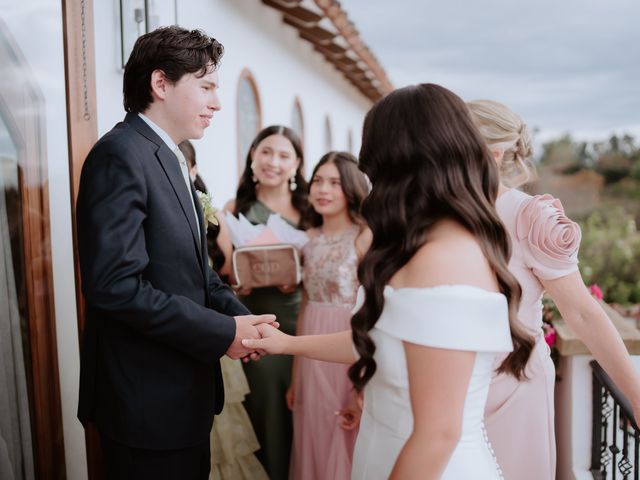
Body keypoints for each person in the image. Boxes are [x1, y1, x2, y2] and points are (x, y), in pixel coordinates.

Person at [243, 83, 535, 479]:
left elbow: (438, 434)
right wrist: (286, 344)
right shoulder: (420, 244)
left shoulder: (446, 258)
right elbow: (382, 340)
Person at [76, 26, 275, 480]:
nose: (218, 103)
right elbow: (116, 287)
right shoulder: (119, 155)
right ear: (161, 84)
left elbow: (195, 272)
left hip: (181, 396)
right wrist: (221, 330)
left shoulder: (169, 157)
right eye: (206, 86)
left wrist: (245, 321)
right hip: (145, 403)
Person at [467, 99, 640, 480]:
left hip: (513, 385)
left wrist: (636, 398)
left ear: (494, 153)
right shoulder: (443, 213)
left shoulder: (531, 216)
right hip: (450, 382)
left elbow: (582, 313)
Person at [222, 125, 309, 480]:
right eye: (266, 152)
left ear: (297, 164)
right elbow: (226, 270)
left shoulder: (309, 209)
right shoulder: (234, 207)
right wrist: (242, 279)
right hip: (256, 323)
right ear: (252, 156)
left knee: (306, 411)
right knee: (266, 412)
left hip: (302, 320)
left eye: (284, 155)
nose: (273, 162)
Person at [178, 140, 268, 480]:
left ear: (194, 169)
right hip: (182, 328)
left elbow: (225, 272)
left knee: (222, 424)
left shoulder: (212, 215)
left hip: (218, 324)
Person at [289, 152, 371, 480]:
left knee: (346, 428)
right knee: (314, 430)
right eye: (318, 181)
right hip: (311, 345)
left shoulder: (366, 236)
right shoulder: (306, 240)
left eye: (334, 183)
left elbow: (371, 309)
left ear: (351, 188)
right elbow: (305, 304)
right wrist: (296, 375)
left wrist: (362, 380)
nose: (323, 189)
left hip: (349, 343)